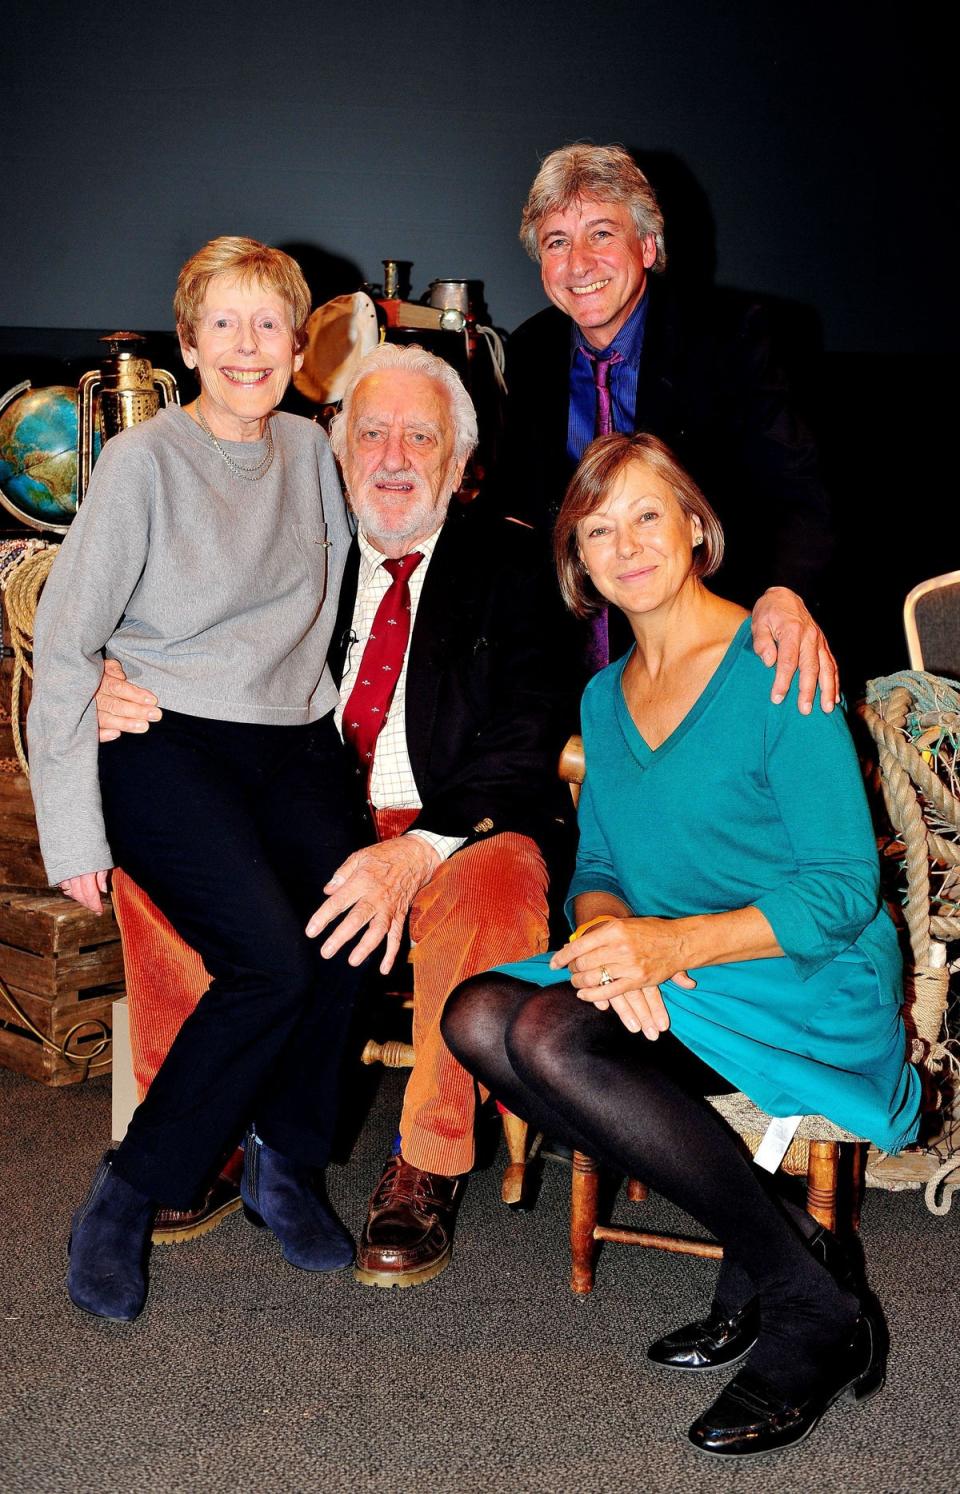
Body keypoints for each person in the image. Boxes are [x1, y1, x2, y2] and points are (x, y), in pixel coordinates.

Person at [441, 430, 920, 1458]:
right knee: (478, 1017)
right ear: (576, 563)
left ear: (696, 528)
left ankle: (807, 1308)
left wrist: (670, 949)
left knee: (554, 1043)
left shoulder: (776, 662)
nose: (627, 544)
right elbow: (600, 863)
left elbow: (844, 889)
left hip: (799, 972)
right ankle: (787, 1251)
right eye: (598, 529)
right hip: (677, 968)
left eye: (647, 515)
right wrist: (613, 933)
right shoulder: (603, 699)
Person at [93, 342, 579, 1290]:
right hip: (294, 807)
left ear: (457, 463)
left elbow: (528, 737)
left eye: (420, 437)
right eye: (372, 434)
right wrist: (112, 674)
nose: (393, 458)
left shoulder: (517, 562)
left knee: (494, 885)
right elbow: (173, 632)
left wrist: (419, 851)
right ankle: (205, 1130)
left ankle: (426, 1166)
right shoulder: (283, 544)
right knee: (154, 871)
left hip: (450, 826)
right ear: (336, 447)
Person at [28, 236, 369, 1321]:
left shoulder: (315, 452)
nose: (247, 345)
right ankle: (131, 1191)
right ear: (187, 343)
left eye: (270, 323)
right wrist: (71, 829)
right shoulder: (143, 462)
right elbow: (67, 641)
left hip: (291, 739)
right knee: (269, 963)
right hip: (166, 736)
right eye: (222, 323)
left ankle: (286, 1165)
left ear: (298, 344)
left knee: (356, 928)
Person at [490, 142, 836, 702]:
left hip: (718, 654)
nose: (578, 263)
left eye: (601, 233)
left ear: (648, 245)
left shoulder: (732, 338)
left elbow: (801, 496)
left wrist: (784, 591)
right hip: (568, 671)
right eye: (558, 242)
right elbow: (520, 511)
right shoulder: (530, 351)